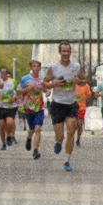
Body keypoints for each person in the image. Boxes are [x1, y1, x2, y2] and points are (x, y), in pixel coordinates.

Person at [43, 43, 81, 171]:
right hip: (58, 104)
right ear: (60, 52)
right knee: (60, 136)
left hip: (71, 104)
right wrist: (55, 84)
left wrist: (78, 82)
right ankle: (58, 142)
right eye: (63, 51)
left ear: (70, 52)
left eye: (68, 51)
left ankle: (67, 161)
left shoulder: (76, 66)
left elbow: (85, 80)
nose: (66, 54)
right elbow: (44, 83)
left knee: (71, 131)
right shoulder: (53, 67)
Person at [17, 59, 49, 160]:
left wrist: (47, 91)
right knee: (31, 130)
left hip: (39, 108)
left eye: (38, 66)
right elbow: (18, 92)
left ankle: (35, 151)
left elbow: (44, 89)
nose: (36, 68)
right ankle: (29, 138)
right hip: (28, 108)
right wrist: (28, 88)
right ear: (31, 68)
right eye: (34, 66)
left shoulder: (42, 79)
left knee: (38, 129)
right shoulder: (25, 79)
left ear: (39, 68)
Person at [0, 67, 19, 151]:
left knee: (10, 122)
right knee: (1, 125)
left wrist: (13, 98)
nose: (3, 73)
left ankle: (8, 135)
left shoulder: (11, 83)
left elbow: (15, 93)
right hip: (0, 106)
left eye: (5, 72)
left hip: (9, 106)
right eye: (1, 72)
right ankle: (3, 143)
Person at [74, 72, 92, 146]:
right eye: (76, 77)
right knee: (74, 124)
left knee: (80, 124)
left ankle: (78, 139)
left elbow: (89, 95)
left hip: (81, 107)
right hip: (73, 107)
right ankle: (71, 137)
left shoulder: (86, 86)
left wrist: (86, 97)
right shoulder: (73, 86)